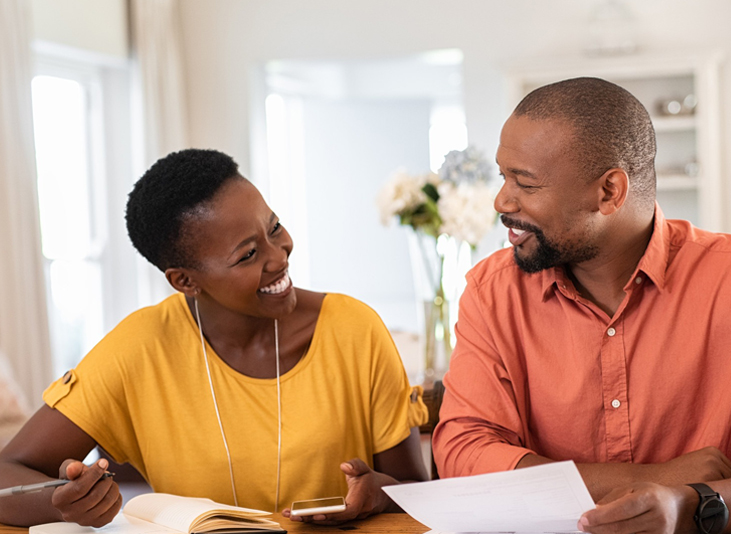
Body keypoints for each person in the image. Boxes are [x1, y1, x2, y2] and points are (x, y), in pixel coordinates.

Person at [432, 77, 731, 534]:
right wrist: (654, 479)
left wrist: (686, 505)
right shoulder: (491, 293)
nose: (501, 201)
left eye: (525, 183)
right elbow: (464, 454)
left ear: (609, 191)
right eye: (503, 175)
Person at [0, 149, 429, 527]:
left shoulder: (354, 329)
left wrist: (374, 495)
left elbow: (415, 492)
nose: (279, 256)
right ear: (184, 280)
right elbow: (8, 470)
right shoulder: (140, 347)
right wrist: (61, 504)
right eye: (248, 254)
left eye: (274, 228)